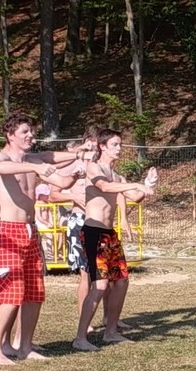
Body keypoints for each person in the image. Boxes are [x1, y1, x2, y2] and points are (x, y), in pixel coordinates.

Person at [0, 112, 92, 365]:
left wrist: (77, 165)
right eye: (24, 131)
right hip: (8, 231)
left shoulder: (34, 160)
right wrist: (36, 166)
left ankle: (24, 346)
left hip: (30, 230)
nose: (30, 135)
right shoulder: (3, 159)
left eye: (32, 131)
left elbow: (58, 174)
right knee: (11, 294)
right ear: (10, 135)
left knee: (34, 292)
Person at [72, 128, 158, 351]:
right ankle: (80, 337)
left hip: (109, 234)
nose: (119, 149)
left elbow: (135, 198)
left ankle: (110, 332)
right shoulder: (94, 167)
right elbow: (104, 186)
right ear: (102, 147)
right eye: (115, 145)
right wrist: (135, 184)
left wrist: (148, 184)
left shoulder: (118, 175)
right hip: (93, 232)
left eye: (120, 144)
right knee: (100, 285)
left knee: (121, 281)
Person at [49, 127, 132, 331]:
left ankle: (109, 321)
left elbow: (119, 193)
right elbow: (52, 194)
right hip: (81, 222)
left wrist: (124, 217)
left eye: (95, 146)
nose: (93, 150)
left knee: (114, 279)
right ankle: (84, 325)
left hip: (106, 228)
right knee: (89, 276)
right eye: (90, 146)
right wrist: (73, 196)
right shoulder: (77, 166)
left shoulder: (110, 171)